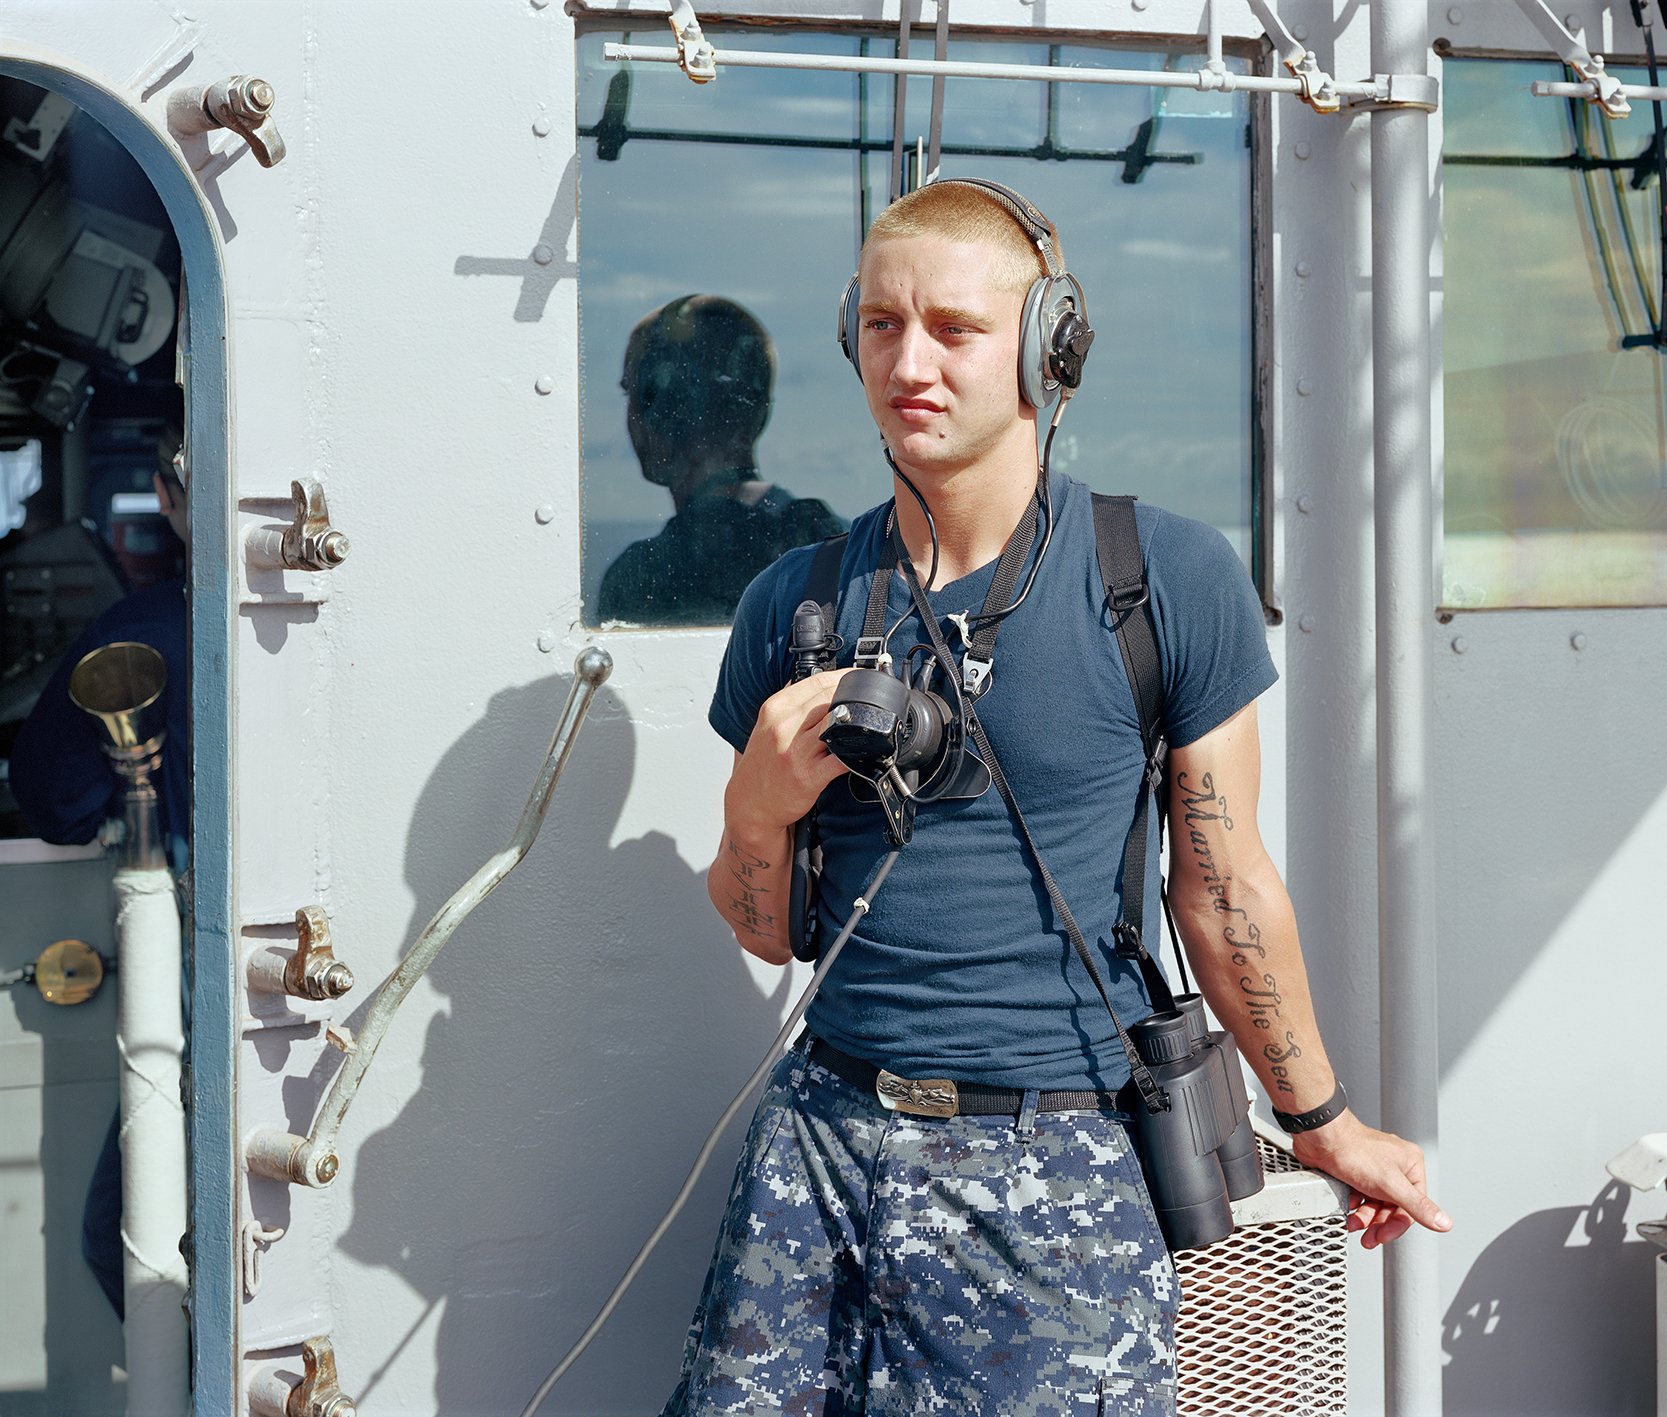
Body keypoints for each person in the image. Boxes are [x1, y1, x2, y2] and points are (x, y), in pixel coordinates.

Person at [671, 181, 1448, 1415]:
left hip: (1052, 1168)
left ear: (1048, 346)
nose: (906, 361)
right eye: (878, 324)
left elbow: (1223, 882)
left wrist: (1322, 1116)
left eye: (952, 328)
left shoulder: (1163, 577)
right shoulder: (795, 602)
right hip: (817, 1145)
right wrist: (757, 810)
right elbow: (764, 928)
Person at [8, 419, 190, 1321]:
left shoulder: (136, 632)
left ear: (168, 498)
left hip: (194, 990)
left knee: (122, 1239)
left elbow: (54, 804)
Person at [594, 295, 844, 626]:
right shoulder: (836, 544)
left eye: (633, 393)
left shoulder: (644, 578)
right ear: (759, 412)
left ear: (661, 409)